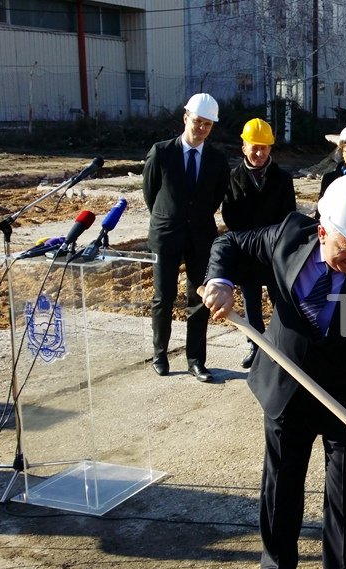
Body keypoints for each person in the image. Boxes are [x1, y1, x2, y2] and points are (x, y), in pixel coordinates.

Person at [201, 175, 346, 569]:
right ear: (323, 229)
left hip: (345, 403)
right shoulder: (290, 235)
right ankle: (276, 568)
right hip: (285, 388)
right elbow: (230, 243)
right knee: (281, 491)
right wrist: (220, 283)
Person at [143, 93, 229, 383]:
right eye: (197, 122)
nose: (201, 128)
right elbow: (151, 194)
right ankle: (160, 354)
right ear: (185, 118)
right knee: (163, 297)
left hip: (200, 237)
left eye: (207, 124)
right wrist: (169, 217)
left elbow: (216, 196)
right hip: (167, 235)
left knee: (198, 298)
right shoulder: (162, 152)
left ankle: (196, 360)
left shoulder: (217, 159)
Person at [222, 118, 297, 369]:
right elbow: (230, 215)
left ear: (270, 149)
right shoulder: (233, 177)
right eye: (254, 147)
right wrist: (250, 240)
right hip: (247, 253)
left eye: (264, 147)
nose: (259, 152)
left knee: (280, 301)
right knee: (251, 303)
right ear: (244, 146)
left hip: (275, 251)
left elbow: (289, 214)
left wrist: (273, 239)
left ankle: (281, 346)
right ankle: (256, 346)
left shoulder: (283, 178)